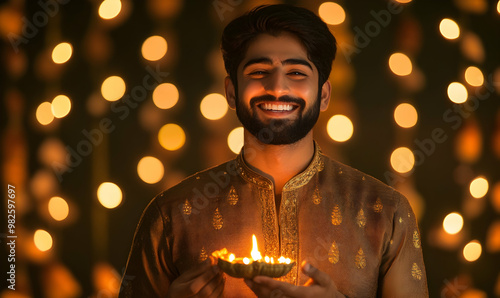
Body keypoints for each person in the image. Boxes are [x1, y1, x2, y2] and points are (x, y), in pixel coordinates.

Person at [119, 4, 428, 297]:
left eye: (296, 73)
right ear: (231, 92)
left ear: (323, 95)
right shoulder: (171, 214)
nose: (277, 87)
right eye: (258, 71)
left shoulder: (386, 212)